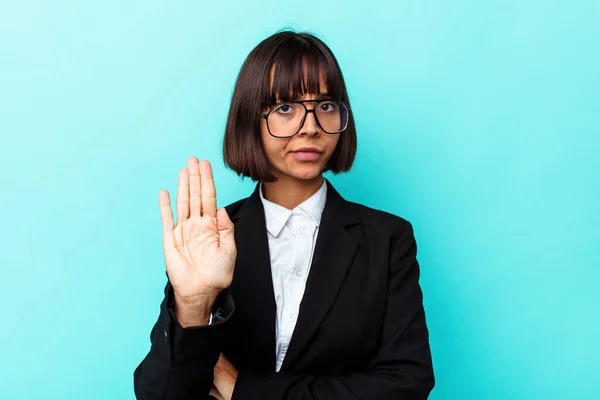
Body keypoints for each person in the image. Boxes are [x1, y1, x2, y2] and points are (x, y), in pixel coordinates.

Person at [133, 30, 435, 400]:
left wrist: (244, 389)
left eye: (325, 106)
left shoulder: (387, 238)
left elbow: (406, 385)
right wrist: (194, 304)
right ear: (251, 120)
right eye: (286, 108)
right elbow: (159, 396)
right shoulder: (211, 237)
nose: (310, 127)